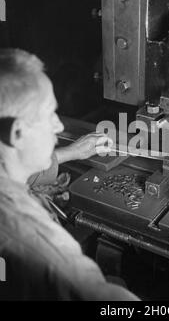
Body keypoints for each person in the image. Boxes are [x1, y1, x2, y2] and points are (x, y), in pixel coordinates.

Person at [0, 48, 139, 301]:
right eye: (50, 114)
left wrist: (72, 152)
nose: (60, 125)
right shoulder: (46, 249)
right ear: (17, 133)